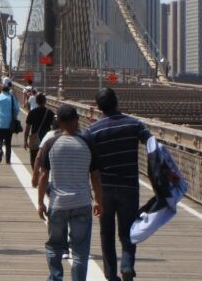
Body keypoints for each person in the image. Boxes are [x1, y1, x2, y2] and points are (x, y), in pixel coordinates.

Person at [85, 88, 152, 281]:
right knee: (128, 230)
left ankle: (110, 274)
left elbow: (88, 160)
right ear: (117, 102)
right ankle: (127, 265)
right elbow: (151, 143)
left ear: (98, 107)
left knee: (106, 232)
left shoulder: (92, 130)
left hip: (103, 188)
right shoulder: (135, 124)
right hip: (129, 186)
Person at [37, 105, 103, 281]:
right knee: (80, 250)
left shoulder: (51, 143)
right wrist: (98, 201)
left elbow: (43, 176)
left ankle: (56, 277)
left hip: (58, 203)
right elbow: (95, 176)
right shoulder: (87, 142)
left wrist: (40, 202)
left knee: (54, 246)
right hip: (82, 203)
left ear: (58, 121)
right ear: (76, 120)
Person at [0, 79, 20, 164]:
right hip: (9, 123)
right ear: (9, 90)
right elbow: (17, 109)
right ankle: (8, 160)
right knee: (8, 142)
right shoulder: (11, 98)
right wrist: (14, 117)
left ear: (2, 90)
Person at [24, 94, 56, 166]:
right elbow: (55, 127)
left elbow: (27, 128)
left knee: (33, 158)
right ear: (45, 101)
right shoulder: (50, 113)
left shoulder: (32, 112)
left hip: (34, 139)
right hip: (46, 139)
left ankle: (36, 173)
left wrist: (25, 141)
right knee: (45, 160)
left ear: (36, 102)